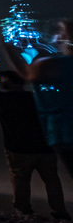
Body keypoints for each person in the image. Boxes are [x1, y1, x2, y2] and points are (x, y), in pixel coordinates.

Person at [0, 69, 66, 218]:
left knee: (21, 181)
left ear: (11, 83)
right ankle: (60, 212)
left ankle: (23, 211)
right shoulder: (36, 98)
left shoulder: (2, 98)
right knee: (52, 181)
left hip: (18, 149)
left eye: (2, 80)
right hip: (45, 148)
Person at [5, 18, 73, 186]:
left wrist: (8, 47)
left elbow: (28, 73)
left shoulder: (59, 65)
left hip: (66, 133)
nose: (56, 38)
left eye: (61, 32)